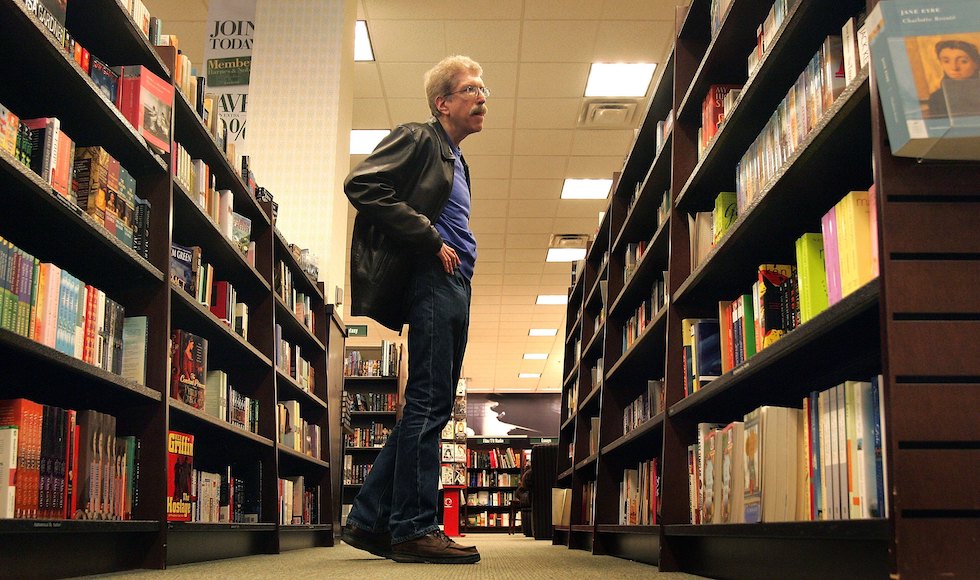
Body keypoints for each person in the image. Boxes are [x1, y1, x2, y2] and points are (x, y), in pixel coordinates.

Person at [340, 55, 488, 565]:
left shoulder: (456, 158)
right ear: (442, 102)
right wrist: (429, 238)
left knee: (434, 403)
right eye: (470, 89)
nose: (481, 97)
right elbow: (362, 184)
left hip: (454, 284)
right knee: (428, 402)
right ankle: (414, 527)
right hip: (433, 281)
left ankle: (368, 518)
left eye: (482, 89)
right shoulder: (421, 138)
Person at [926, 39, 980, 118]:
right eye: (946, 61)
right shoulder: (937, 98)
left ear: (976, 64)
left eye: (963, 61)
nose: (954, 67)